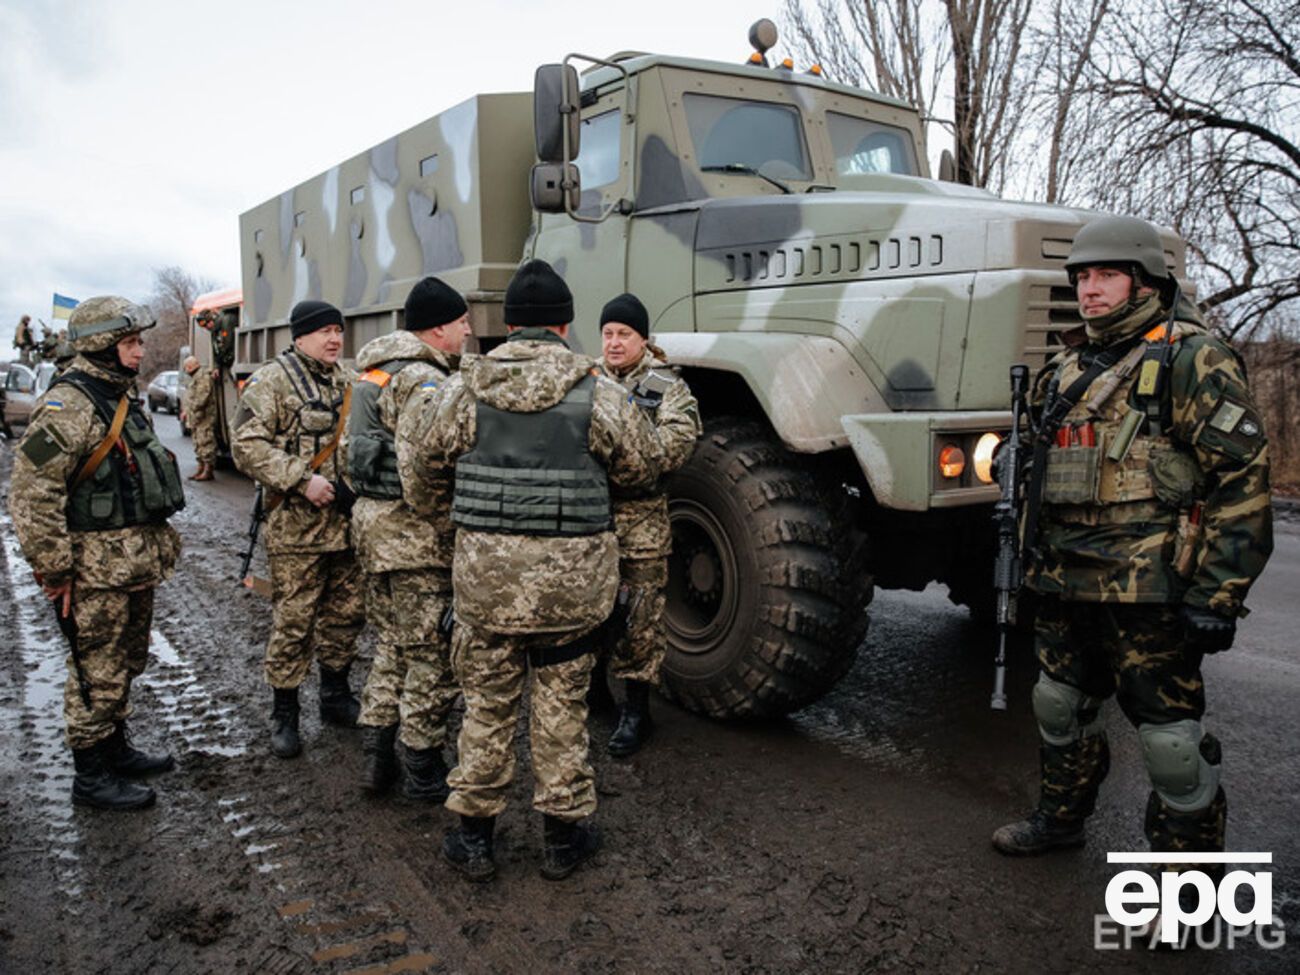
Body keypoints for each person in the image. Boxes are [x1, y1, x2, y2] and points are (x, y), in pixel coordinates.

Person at [992, 216, 1272, 866]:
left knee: (1172, 745)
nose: (1090, 289)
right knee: (1060, 706)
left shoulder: (1191, 357)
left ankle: (1186, 886)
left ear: (1144, 280)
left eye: (1106, 274)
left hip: (1150, 588)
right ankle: (1060, 819)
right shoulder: (1063, 366)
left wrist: (1219, 592)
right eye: (1083, 276)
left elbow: (1242, 476)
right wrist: (1012, 474)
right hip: (1065, 576)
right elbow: (1032, 459)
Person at [406, 259, 662, 882]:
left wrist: (465, 530)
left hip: (486, 588)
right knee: (562, 707)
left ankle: (473, 841)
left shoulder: (464, 390)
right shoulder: (602, 392)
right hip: (573, 592)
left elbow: (419, 477)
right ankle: (562, 840)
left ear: (510, 323)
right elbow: (643, 469)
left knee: (487, 706)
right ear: (566, 325)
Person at [10, 296, 184, 810]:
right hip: (93, 570)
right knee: (96, 669)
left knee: (126, 660)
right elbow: (32, 495)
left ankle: (114, 747)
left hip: (131, 564)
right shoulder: (70, 406)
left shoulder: (116, 397)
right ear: (102, 347)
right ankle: (90, 776)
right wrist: (56, 568)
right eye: (131, 343)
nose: (140, 351)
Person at [349, 277, 470, 800]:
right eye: (463, 322)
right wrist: (447, 521)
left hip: (373, 529)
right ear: (439, 327)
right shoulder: (422, 381)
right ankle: (422, 764)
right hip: (413, 537)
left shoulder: (372, 374)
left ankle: (378, 755)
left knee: (393, 644)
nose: (468, 331)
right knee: (432, 653)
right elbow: (425, 463)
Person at [231, 300, 365, 759]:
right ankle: (284, 714)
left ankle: (335, 696)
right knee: (294, 622)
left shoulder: (348, 381)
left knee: (346, 615)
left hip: (345, 529)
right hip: (297, 532)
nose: (334, 339)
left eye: (338, 331)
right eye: (325, 331)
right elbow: (245, 445)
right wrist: (302, 480)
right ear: (300, 335)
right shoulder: (273, 380)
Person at [594, 293, 700, 756]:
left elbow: (673, 447)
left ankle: (637, 709)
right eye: (608, 334)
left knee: (640, 617)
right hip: (590, 520)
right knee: (589, 609)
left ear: (643, 339)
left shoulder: (664, 386)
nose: (614, 343)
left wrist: (609, 459)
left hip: (640, 522)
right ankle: (594, 691)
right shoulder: (587, 379)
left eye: (624, 335)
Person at [181, 355, 218, 481]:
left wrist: (192, 409)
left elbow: (202, 398)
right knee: (198, 442)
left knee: (206, 441)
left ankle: (208, 470)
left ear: (190, 366)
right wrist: (187, 411)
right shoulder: (195, 378)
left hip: (204, 416)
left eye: (186, 367)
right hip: (196, 417)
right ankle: (201, 467)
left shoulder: (203, 377)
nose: (185, 370)